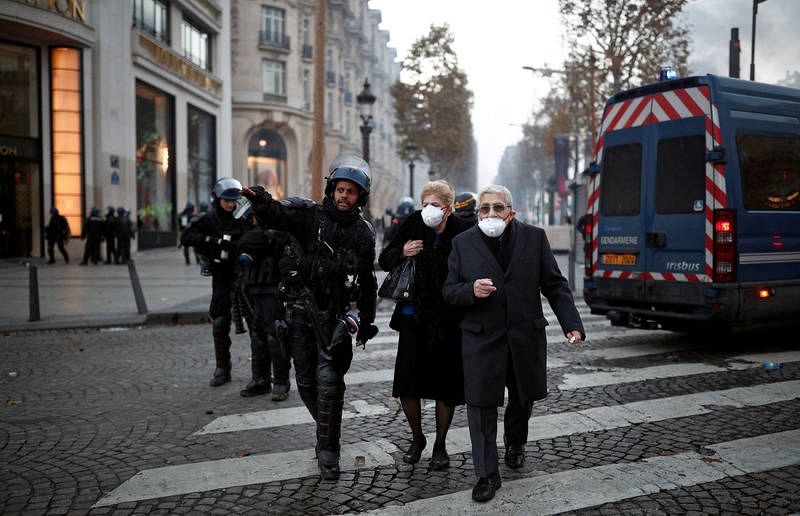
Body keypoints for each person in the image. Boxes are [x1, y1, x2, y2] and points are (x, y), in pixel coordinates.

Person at [442, 184, 585, 503]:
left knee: (522, 397)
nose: (490, 214)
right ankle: (486, 475)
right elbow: (449, 290)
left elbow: (555, 284)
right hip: (481, 338)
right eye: (484, 208)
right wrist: (470, 291)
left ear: (511, 212)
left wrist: (571, 324)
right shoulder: (462, 243)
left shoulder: (534, 238)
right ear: (477, 212)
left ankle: (516, 442)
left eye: (497, 208)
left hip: (524, 336)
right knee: (480, 405)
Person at [243, 154, 379, 480]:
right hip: (301, 312)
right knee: (306, 384)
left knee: (331, 382)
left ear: (360, 196)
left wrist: (366, 320)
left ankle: (329, 449)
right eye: (341, 189)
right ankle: (325, 433)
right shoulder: (309, 217)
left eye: (352, 191)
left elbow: (368, 280)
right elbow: (277, 215)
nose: (345, 196)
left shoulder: (364, 232)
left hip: (338, 316)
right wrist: (261, 201)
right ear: (332, 189)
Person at [378, 179, 470, 471]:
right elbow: (385, 258)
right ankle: (417, 438)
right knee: (408, 383)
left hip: (449, 320)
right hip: (414, 317)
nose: (429, 210)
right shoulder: (412, 224)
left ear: (448, 207)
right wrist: (403, 251)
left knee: (446, 386)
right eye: (425, 204)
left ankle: (440, 444)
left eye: (435, 205)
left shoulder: (461, 230)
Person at [181, 178, 251, 387]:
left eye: (234, 200)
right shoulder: (210, 219)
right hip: (221, 276)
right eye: (226, 200)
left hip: (243, 276)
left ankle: (261, 374)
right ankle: (222, 367)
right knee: (220, 322)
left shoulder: (243, 217)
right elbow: (187, 237)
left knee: (256, 324)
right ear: (218, 199)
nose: (231, 204)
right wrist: (213, 242)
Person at [236, 226, 293, 400]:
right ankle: (260, 379)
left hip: (273, 287)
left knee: (275, 335)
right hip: (253, 287)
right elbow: (241, 243)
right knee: (257, 336)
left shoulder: (277, 226)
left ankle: (281, 382)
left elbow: (272, 240)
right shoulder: (251, 227)